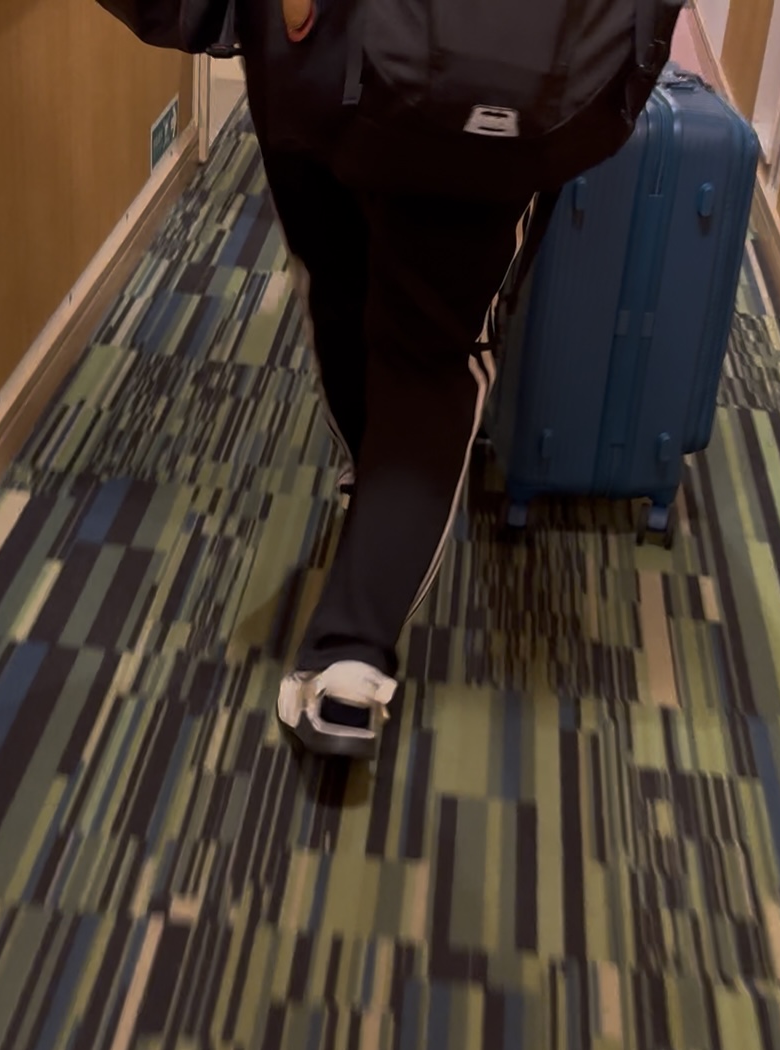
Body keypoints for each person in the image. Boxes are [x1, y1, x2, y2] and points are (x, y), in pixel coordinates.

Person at [234, 0, 541, 760]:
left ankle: (369, 499)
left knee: (340, 285)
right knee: (429, 352)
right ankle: (350, 659)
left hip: (311, 46)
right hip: (494, 66)